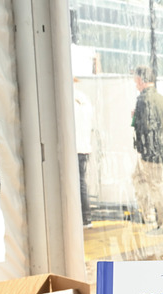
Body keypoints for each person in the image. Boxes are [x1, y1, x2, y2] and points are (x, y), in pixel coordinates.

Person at [131, 65, 163, 234]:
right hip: (160, 148)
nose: (135, 84)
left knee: (156, 186)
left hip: (151, 151)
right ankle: (147, 214)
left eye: (136, 81)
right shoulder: (161, 98)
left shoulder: (143, 99)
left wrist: (134, 118)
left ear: (141, 80)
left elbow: (145, 126)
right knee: (138, 178)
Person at [73, 78, 94, 228]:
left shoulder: (68, 99)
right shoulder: (85, 99)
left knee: (76, 184)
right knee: (81, 183)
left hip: (73, 148)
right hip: (85, 146)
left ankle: (82, 217)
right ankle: (86, 217)